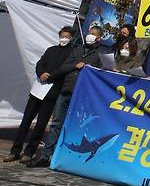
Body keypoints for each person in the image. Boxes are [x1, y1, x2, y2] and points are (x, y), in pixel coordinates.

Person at [28, 25, 104, 168]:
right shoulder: (77, 49)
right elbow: (64, 67)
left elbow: (100, 74)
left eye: (93, 34)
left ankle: (66, 157)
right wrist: (75, 65)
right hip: (66, 91)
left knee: (75, 126)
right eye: (89, 33)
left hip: (82, 96)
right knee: (56, 123)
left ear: (99, 38)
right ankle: (46, 155)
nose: (89, 36)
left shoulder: (100, 54)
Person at [3, 25, 76, 165]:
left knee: (41, 124)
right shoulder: (51, 50)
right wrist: (41, 73)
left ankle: (29, 152)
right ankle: (15, 150)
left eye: (67, 36)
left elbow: (64, 69)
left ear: (71, 38)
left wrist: (50, 76)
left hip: (52, 91)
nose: (64, 39)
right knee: (26, 121)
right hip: (38, 89)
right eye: (62, 36)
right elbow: (40, 63)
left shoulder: (71, 53)